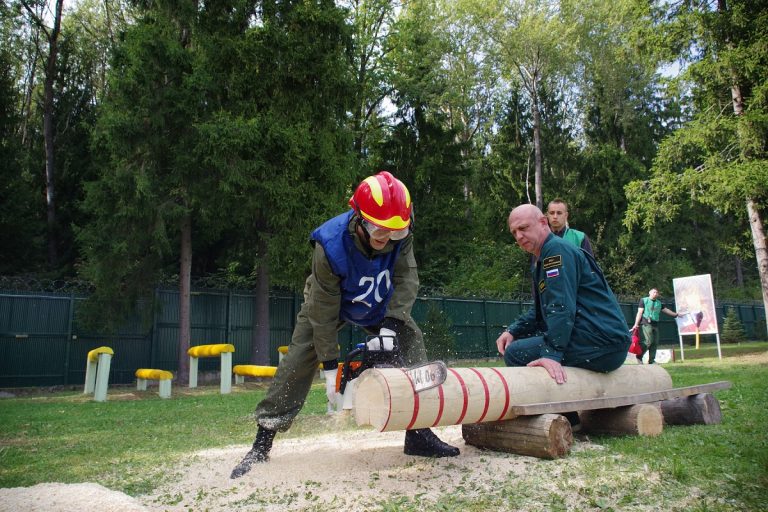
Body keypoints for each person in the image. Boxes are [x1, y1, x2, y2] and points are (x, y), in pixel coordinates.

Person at [230, 171, 459, 479]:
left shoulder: (398, 230)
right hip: (331, 303)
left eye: (395, 233)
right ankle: (262, 441)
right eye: (379, 230)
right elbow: (323, 311)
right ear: (359, 219)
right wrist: (328, 367)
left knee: (412, 340)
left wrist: (390, 326)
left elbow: (406, 279)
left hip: (378, 301)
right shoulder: (329, 245)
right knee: (298, 359)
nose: (386, 239)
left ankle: (419, 433)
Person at [495, 204, 630, 385]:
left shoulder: (555, 251)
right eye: (514, 232)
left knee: (515, 353)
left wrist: (552, 353)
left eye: (523, 228)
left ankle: (555, 412)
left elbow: (560, 305)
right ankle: (566, 411)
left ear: (543, 222)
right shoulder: (544, 257)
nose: (519, 236)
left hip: (602, 342)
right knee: (518, 342)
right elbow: (540, 312)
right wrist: (512, 331)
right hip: (602, 341)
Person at [631, 288, 680, 364]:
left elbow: (666, 310)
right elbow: (639, 313)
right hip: (646, 323)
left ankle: (651, 361)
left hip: (655, 324)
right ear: (649, 292)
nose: (656, 294)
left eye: (657, 292)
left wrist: (676, 314)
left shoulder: (659, 303)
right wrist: (636, 324)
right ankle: (639, 356)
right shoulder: (643, 300)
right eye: (654, 292)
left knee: (655, 343)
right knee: (648, 341)